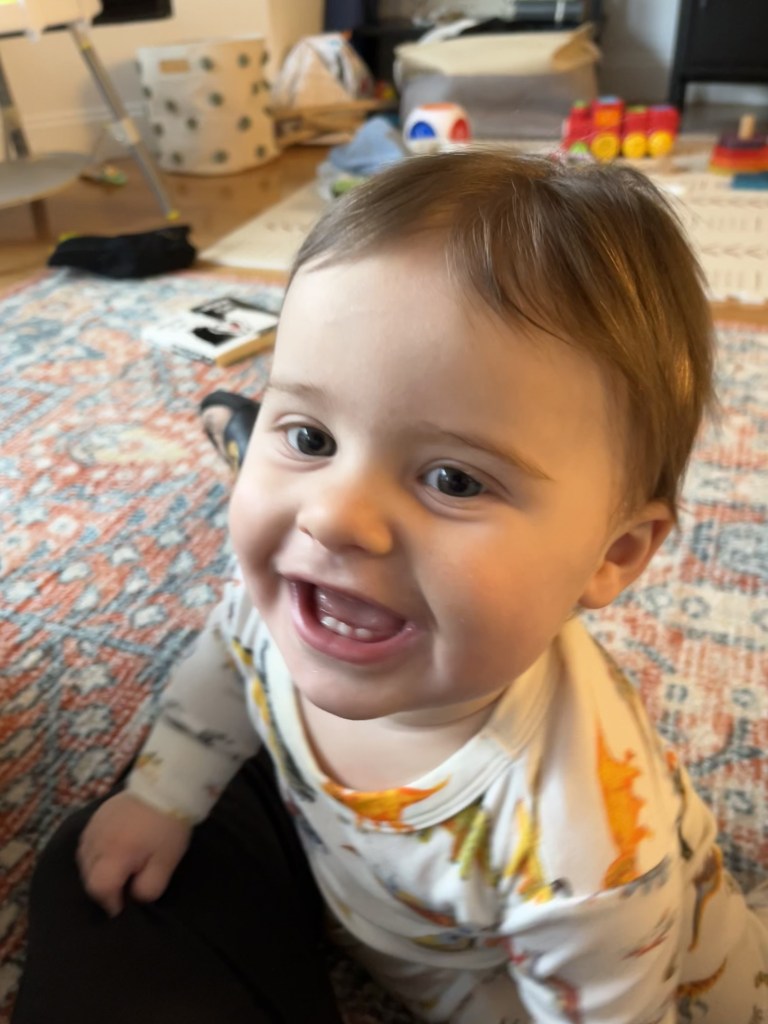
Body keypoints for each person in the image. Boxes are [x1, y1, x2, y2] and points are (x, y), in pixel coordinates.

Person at [13, 151, 768, 1024]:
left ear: (615, 555)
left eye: (453, 480)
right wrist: (161, 797)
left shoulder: (587, 852)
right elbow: (224, 665)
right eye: (310, 436)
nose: (333, 519)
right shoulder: (296, 593)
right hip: (385, 919)